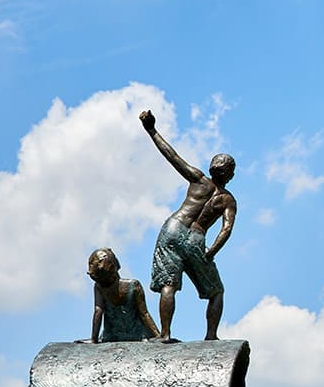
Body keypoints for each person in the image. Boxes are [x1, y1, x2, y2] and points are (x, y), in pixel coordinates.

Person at [139, 109, 237, 342]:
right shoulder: (227, 200)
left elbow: (172, 156)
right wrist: (211, 251)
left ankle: (165, 334)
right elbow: (226, 229)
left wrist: (152, 130)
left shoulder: (198, 179)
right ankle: (211, 336)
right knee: (216, 292)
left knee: (168, 284)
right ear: (230, 175)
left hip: (173, 228)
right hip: (195, 237)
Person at [79, 248, 160, 342]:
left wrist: (94, 339)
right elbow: (144, 314)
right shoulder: (133, 285)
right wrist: (158, 336)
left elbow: (98, 311)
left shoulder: (99, 287)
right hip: (136, 335)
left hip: (111, 336)